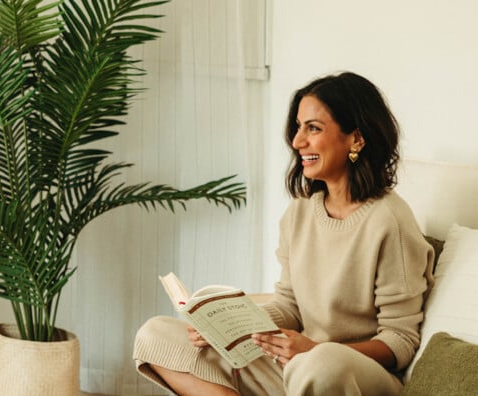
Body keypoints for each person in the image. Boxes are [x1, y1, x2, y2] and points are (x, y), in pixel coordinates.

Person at [133, 71, 434, 395]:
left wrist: (312, 350)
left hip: (354, 376)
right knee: (156, 335)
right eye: (298, 128)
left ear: (356, 138)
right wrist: (229, 327)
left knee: (321, 362)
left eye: (313, 128)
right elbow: (290, 306)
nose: (297, 141)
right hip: (295, 366)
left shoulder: (390, 220)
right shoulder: (300, 212)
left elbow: (400, 341)